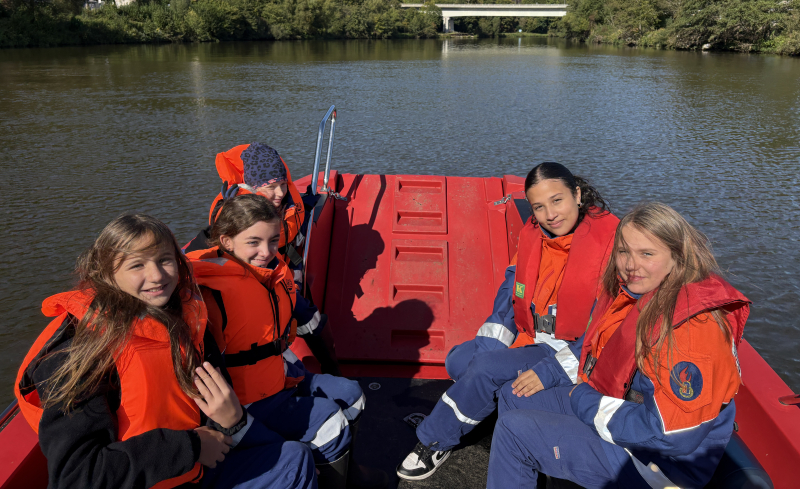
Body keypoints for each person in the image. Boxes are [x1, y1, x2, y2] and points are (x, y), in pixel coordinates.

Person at [15, 213, 316, 489]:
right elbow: (76, 476)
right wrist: (192, 446)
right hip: (166, 469)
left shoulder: (185, 318)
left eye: (164, 260)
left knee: (296, 456)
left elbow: (212, 403)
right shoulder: (79, 354)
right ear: (106, 273)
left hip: (199, 462)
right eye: (137, 265)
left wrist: (231, 419)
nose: (157, 275)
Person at [488, 202, 750, 489]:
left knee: (514, 433)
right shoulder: (637, 293)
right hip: (619, 409)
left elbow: (673, 434)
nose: (630, 265)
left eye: (647, 254)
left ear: (678, 257)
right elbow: (595, 349)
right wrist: (549, 373)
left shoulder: (691, 330)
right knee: (513, 395)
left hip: (659, 465)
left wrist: (585, 402)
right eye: (624, 251)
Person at [397, 162, 618, 481]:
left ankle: (433, 440)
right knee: (461, 360)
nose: (550, 214)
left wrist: (550, 371)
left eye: (557, 200)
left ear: (578, 194)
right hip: (538, 340)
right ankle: (476, 409)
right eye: (539, 207)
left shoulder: (611, 246)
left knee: (484, 372)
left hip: (576, 356)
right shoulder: (535, 237)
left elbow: (610, 331)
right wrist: (485, 350)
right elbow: (509, 300)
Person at [187, 194, 387, 489]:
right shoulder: (208, 291)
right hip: (248, 397)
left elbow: (301, 320)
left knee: (351, 394)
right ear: (227, 242)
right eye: (253, 242)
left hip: (280, 374)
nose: (266, 251)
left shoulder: (270, 272)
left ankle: (343, 469)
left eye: (273, 240)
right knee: (330, 424)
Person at [184, 142, 339, 375]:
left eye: (283, 185)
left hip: (273, 264)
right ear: (252, 187)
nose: (279, 193)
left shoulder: (281, 203)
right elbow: (207, 247)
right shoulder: (235, 210)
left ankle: (330, 364)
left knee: (308, 315)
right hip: (246, 270)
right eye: (271, 187)